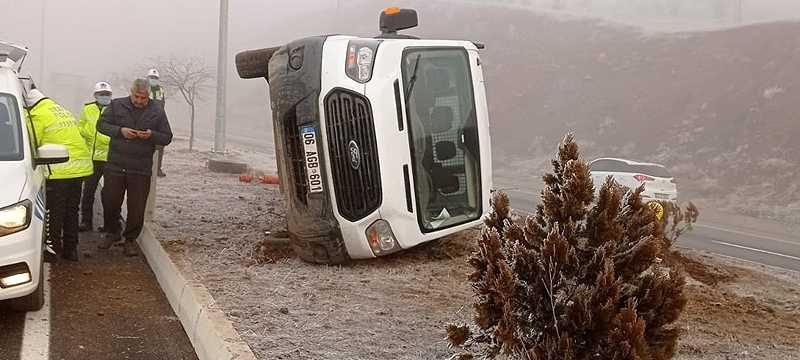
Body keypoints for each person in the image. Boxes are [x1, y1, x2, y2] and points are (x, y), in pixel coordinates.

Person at [97, 79, 173, 256]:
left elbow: (167, 137)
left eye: (143, 98)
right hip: (116, 164)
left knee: (137, 207)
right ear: (131, 93)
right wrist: (120, 131)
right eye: (136, 97)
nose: (139, 101)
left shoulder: (157, 111)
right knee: (110, 201)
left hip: (140, 167)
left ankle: (130, 240)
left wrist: (151, 135)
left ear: (148, 96)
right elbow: (101, 125)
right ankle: (112, 232)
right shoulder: (117, 105)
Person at [25, 89, 94, 261]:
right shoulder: (59, 109)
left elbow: (31, 144)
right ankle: (71, 250)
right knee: (72, 209)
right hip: (79, 168)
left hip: (59, 169)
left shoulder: (36, 115)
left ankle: (53, 249)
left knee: (54, 211)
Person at [78, 82, 113, 232]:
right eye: (101, 94)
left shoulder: (115, 110)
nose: (104, 97)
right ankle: (86, 221)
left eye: (107, 94)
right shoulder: (87, 109)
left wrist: (106, 139)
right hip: (91, 158)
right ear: (95, 96)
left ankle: (110, 224)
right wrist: (84, 131)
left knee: (110, 194)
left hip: (109, 158)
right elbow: (81, 125)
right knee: (88, 192)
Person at [147, 68, 167, 177]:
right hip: (146, 120)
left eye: (155, 78)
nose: (153, 79)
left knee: (159, 146)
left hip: (158, 120)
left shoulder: (161, 90)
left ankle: (157, 168)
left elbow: (162, 104)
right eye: (151, 77)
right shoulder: (144, 88)